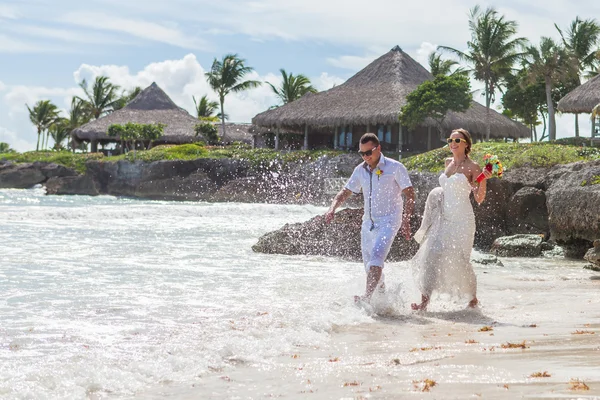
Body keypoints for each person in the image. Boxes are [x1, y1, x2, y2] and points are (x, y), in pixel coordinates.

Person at [325, 133, 415, 303]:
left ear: (378, 148)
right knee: (369, 266)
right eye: (362, 153)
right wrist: (332, 209)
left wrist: (406, 219)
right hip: (368, 224)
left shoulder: (395, 167)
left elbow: (410, 194)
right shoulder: (360, 170)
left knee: (376, 258)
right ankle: (382, 300)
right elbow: (345, 192)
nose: (366, 156)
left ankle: (366, 298)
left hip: (389, 221)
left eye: (369, 152)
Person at [410, 128, 492, 311]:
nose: (452, 144)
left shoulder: (473, 167)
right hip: (444, 219)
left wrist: (484, 180)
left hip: (463, 220)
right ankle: (424, 301)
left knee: (461, 260)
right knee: (431, 255)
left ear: (466, 144)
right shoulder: (448, 162)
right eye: (450, 140)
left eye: (457, 140)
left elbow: (479, 199)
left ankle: (472, 299)